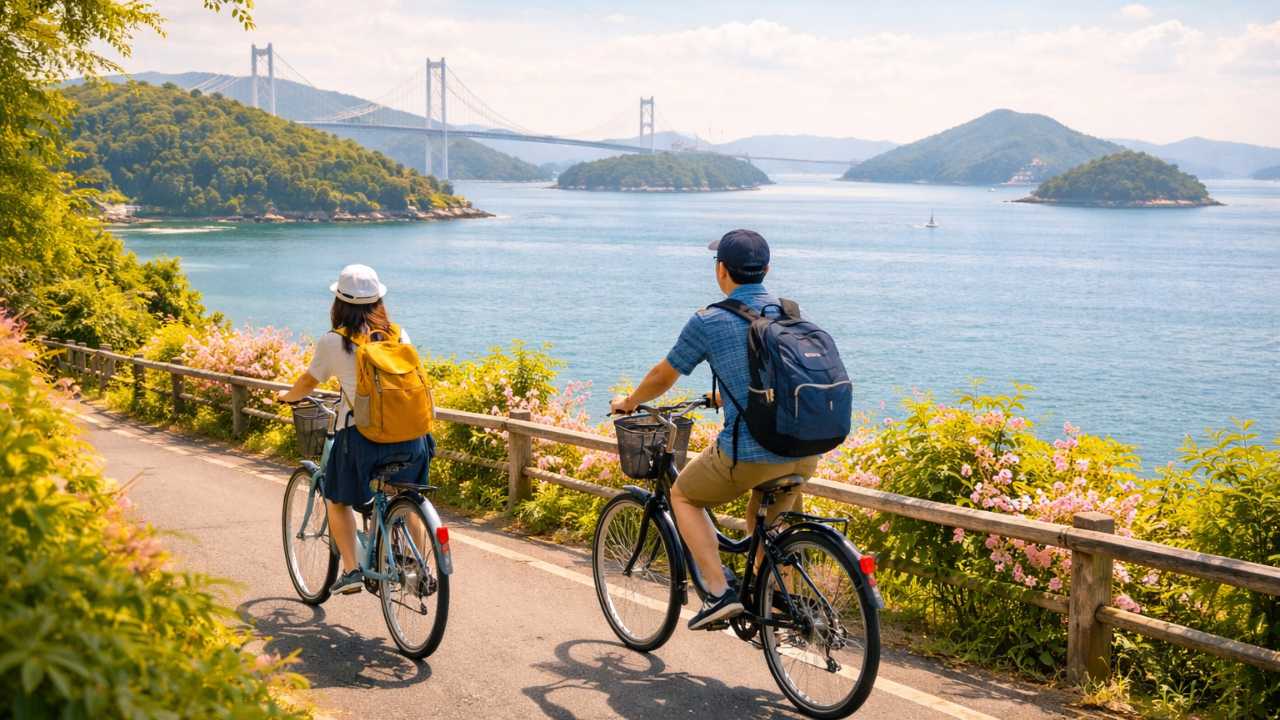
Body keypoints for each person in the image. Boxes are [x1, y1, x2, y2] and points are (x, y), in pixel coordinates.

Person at [610, 229, 824, 631]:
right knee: (762, 520)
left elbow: (664, 374)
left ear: (721, 270)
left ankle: (718, 591)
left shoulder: (709, 320)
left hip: (752, 453)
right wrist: (728, 396)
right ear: (767, 269)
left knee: (683, 496)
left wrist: (631, 401)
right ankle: (770, 596)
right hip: (805, 449)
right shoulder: (791, 312)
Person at [278, 264, 434, 595]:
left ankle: (350, 571)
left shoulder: (334, 342)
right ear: (379, 301)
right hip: (413, 437)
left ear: (338, 303)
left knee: (336, 499)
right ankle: (417, 565)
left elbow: (308, 381)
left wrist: (286, 397)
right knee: (407, 496)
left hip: (362, 440)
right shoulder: (399, 335)